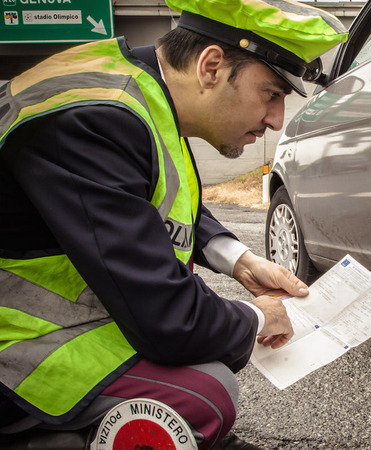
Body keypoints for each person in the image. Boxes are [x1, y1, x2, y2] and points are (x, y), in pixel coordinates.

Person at [0, 0, 347, 448]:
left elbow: (147, 197)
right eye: (271, 94)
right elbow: (170, 322)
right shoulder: (95, 119)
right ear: (211, 67)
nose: (276, 120)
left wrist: (239, 260)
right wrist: (258, 316)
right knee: (203, 397)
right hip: (18, 348)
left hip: (68, 318)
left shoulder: (138, 92)